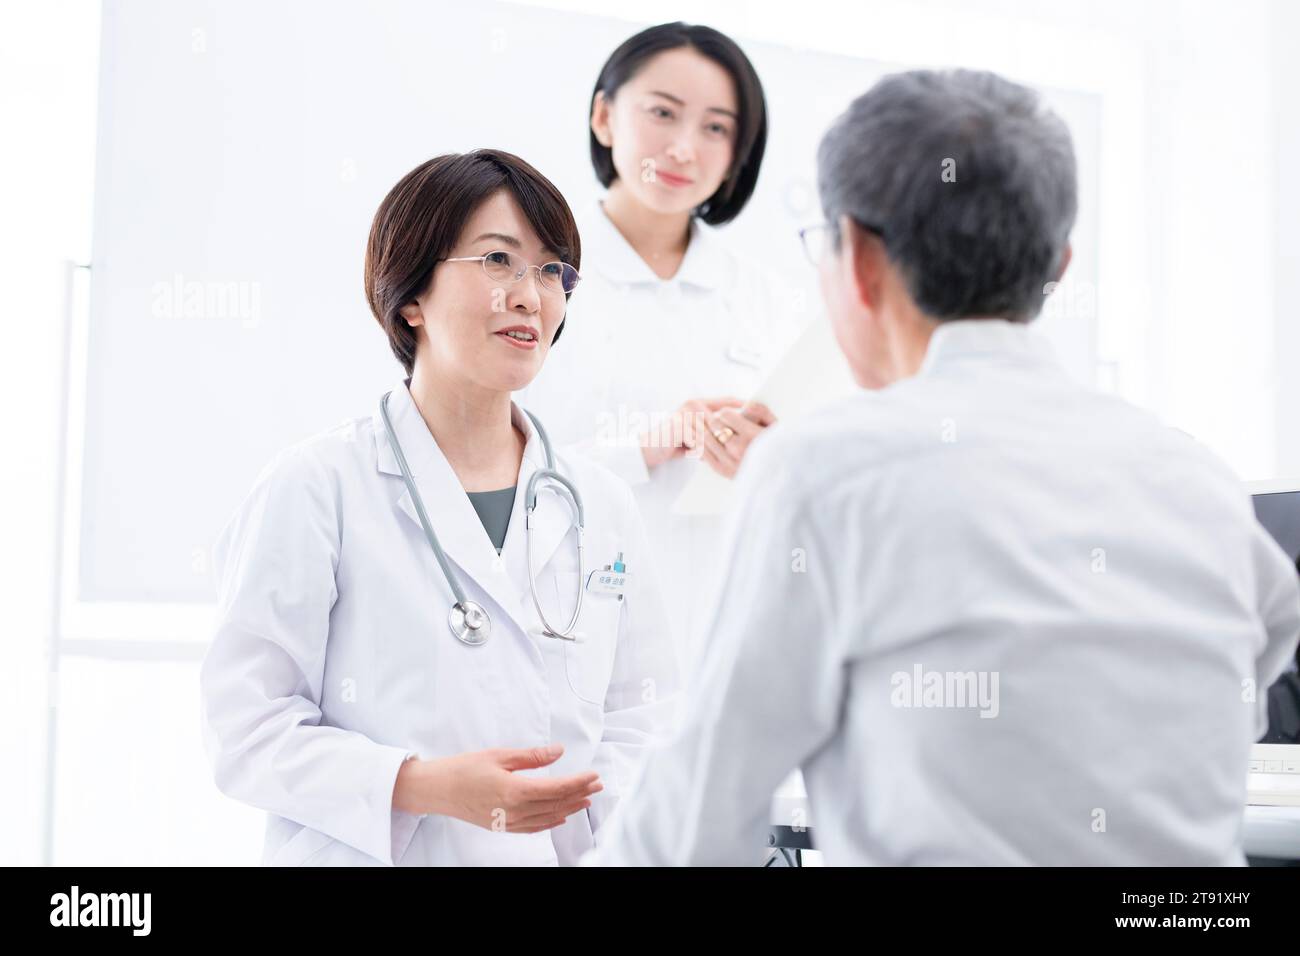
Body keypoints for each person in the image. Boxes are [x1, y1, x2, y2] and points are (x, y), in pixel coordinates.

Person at [582, 69, 1300, 865]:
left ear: (854, 258)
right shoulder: (1195, 477)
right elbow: (1265, 644)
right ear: (1059, 264)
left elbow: (689, 832)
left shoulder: (821, 472)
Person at [199, 149, 679, 866]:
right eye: (498, 260)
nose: (531, 295)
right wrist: (420, 785)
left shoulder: (597, 502)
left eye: (552, 271)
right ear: (412, 296)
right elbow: (247, 727)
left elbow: (645, 713)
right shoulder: (317, 486)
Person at [516, 22, 808, 672]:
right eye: (662, 113)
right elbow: (486, 479)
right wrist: (642, 448)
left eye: (715, 128)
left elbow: (814, 491)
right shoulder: (532, 283)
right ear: (604, 115)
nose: (682, 148)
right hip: (561, 649)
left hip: (726, 648)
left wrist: (769, 458)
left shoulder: (772, 301)